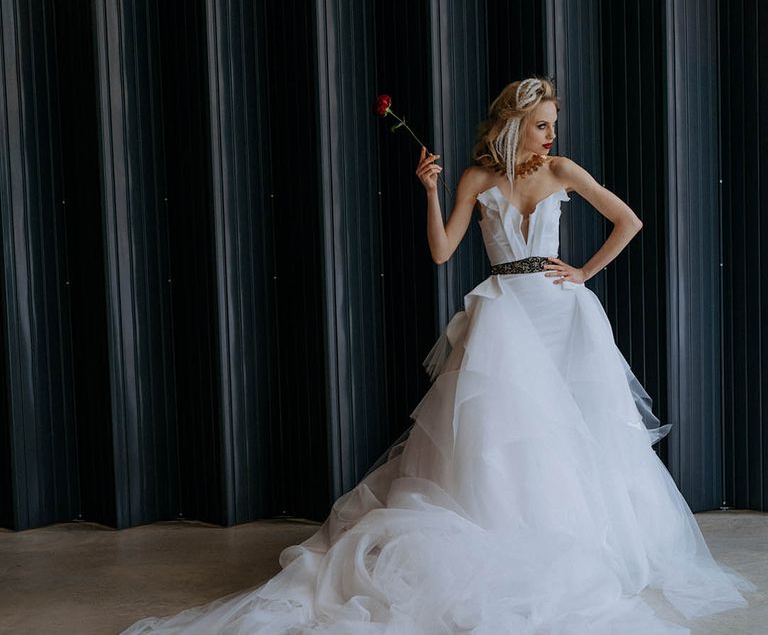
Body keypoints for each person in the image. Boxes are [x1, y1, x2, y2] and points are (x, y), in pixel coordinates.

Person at [121, 77, 756, 634]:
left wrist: (584, 273)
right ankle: (512, 533)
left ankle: (598, 544)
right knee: (504, 432)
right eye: (542, 124)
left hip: (562, 313)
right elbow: (443, 252)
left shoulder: (563, 170)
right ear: (514, 121)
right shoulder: (478, 178)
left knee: (583, 424)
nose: (550, 135)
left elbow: (630, 221)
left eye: (553, 125)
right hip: (506, 312)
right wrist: (430, 190)